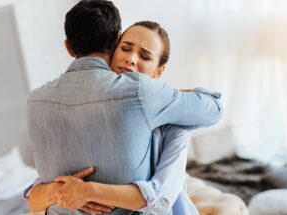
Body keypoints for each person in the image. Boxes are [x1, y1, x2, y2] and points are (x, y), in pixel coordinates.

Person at [25, 1, 223, 215]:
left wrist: (88, 191)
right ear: (116, 43)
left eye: (145, 56)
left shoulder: (35, 100)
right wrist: (60, 190)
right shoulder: (137, 94)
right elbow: (35, 197)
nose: (130, 58)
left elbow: (161, 198)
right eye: (126, 48)